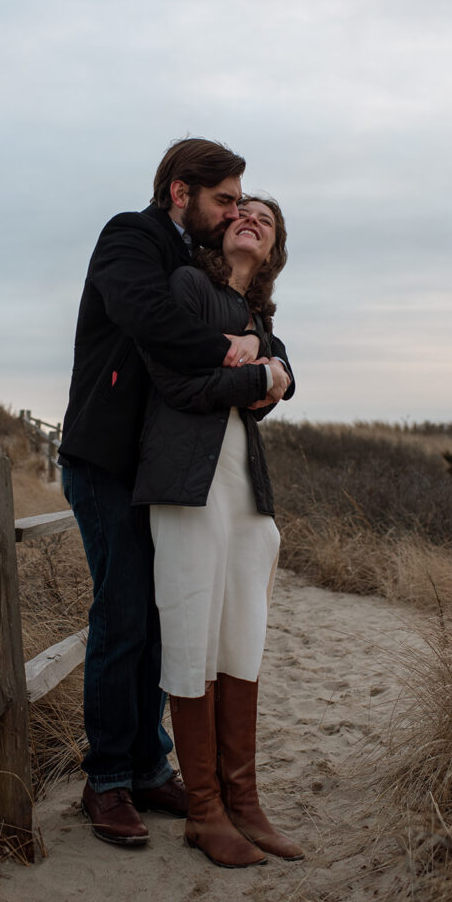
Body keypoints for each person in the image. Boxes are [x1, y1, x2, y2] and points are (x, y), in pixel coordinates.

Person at [59, 139, 289, 846]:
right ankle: (108, 781)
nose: (231, 215)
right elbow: (149, 320)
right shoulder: (131, 237)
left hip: (159, 464)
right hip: (105, 456)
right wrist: (238, 357)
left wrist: (272, 362)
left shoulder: (199, 264)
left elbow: (260, 328)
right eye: (223, 200)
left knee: (162, 622)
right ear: (181, 192)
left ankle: (149, 762)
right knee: (125, 612)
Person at [132, 196, 304, 868]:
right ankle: (204, 810)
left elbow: (282, 379)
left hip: (246, 494)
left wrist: (270, 363)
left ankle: (244, 801)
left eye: (265, 219)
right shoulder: (188, 287)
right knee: (191, 631)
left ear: (273, 250)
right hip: (184, 484)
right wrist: (259, 376)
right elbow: (175, 382)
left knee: (242, 636)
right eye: (241, 211)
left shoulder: (259, 318)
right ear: (220, 230)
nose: (250, 218)